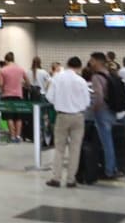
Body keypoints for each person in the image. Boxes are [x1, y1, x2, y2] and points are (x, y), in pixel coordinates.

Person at [45, 57, 90, 188]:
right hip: (78, 117)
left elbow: (49, 97)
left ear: (67, 64)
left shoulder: (57, 78)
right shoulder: (81, 81)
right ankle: (71, 179)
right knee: (75, 149)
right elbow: (87, 102)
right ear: (79, 67)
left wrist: (59, 103)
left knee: (59, 148)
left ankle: (56, 178)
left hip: (62, 116)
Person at [88, 52, 122, 179]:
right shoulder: (109, 74)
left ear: (98, 61)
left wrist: (93, 109)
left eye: (92, 60)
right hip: (112, 110)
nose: (90, 63)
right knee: (110, 141)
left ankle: (109, 170)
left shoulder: (96, 77)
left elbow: (99, 96)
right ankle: (114, 167)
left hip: (102, 111)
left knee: (106, 143)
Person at [0, 52, 30, 142]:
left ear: (6, 60)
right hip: (18, 96)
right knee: (19, 117)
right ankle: (18, 136)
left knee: (9, 117)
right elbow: (28, 82)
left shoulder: (3, 70)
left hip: (6, 95)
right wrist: (22, 85)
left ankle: (12, 136)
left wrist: (0, 86)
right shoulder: (20, 69)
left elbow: (0, 83)